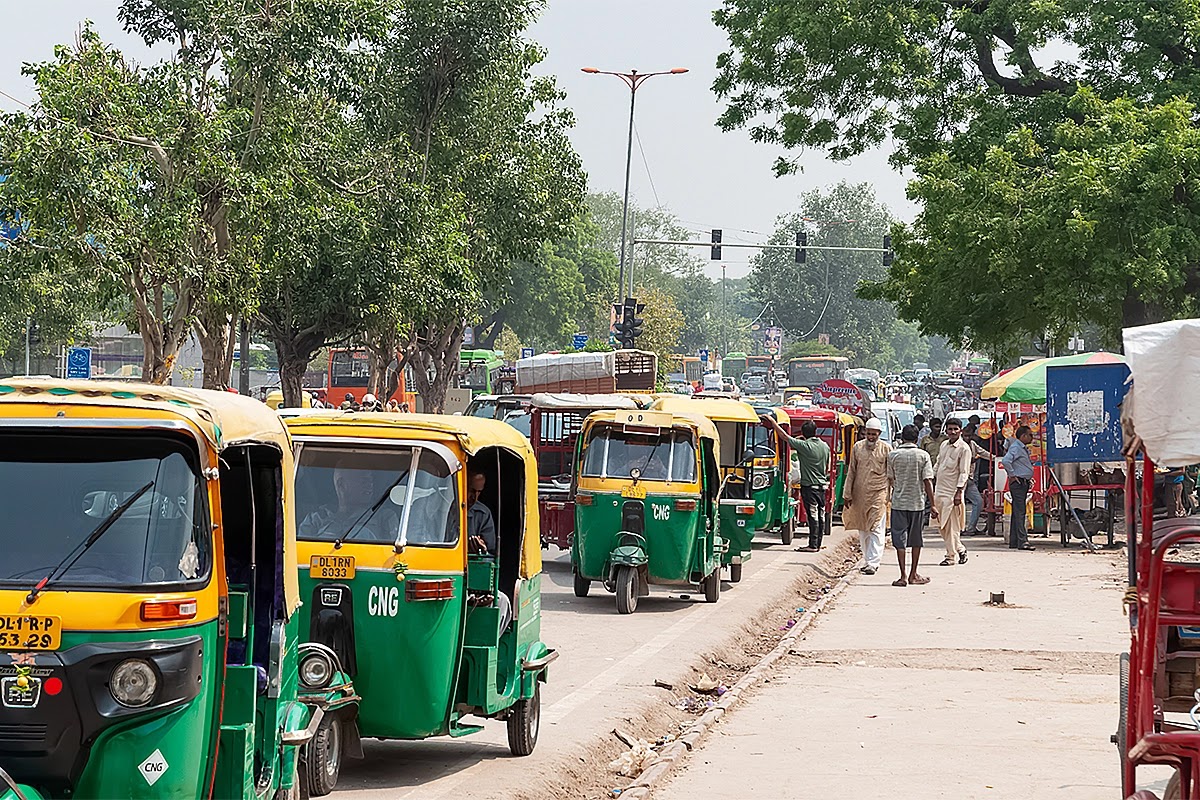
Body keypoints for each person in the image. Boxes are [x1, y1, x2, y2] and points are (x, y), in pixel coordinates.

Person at [760, 415, 831, 552]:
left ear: (804, 433)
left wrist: (772, 421)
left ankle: (813, 545)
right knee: (820, 515)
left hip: (810, 486)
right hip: (822, 486)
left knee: (812, 516)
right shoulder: (825, 446)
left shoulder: (805, 446)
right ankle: (818, 543)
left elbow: (785, 436)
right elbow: (827, 467)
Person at [887, 424, 937, 587]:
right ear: (917, 439)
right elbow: (927, 481)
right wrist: (933, 505)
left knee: (899, 539)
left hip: (899, 503)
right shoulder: (923, 456)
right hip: (917, 503)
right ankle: (913, 574)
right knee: (916, 539)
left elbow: (891, 479)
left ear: (902, 438)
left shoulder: (893, 455)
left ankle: (902, 575)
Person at [843, 417, 892, 575]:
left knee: (877, 527)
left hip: (879, 493)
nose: (871, 437)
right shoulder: (857, 447)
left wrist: (891, 495)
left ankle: (873, 562)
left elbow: (891, 474)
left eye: (874, 434)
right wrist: (847, 493)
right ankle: (867, 559)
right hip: (860, 494)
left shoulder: (886, 449)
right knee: (863, 528)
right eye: (868, 434)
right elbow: (852, 471)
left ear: (879, 433)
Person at [299, 465, 399, 542]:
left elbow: (395, 557)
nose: (370, 485)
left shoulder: (384, 517)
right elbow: (297, 553)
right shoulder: (316, 518)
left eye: (370, 480)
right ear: (341, 485)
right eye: (363, 480)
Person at [933, 418, 973, 566]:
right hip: (939, 491)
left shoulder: (964, 449)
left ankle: (950, 557)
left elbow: (964, 472)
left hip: (952, 493)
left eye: (956, 429)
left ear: (960, 430)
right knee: (941, 526)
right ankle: (960, 549)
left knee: (951, 527)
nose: (953, 432)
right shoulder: (944, 445)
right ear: (946, 431)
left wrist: (959, 492)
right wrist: (930, 478)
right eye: (950, 429)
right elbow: (938, 463)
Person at [1001, 425, 1037, 551]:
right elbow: (1006, 461)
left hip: (1023, 481)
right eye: (1030, 435)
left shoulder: (1022, 448)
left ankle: (1014, 541)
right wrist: (1012, 475)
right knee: (1020, 511)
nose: (1032, 437)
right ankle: (1023, 541)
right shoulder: (1016, 447)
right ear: (1023, 436)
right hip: (1018, 483)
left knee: (1017, 512)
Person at [467, 471, 497, 554]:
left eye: (479, 492)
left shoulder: (483, 514)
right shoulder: (440, 508)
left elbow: (490, 551)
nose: (475, 497)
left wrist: (482, 549)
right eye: (471, 491)